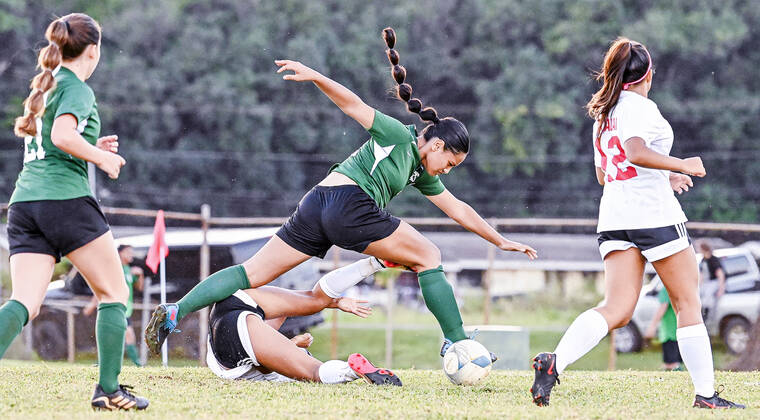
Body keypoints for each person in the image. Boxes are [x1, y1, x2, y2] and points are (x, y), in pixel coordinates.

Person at [145, 27, 537, 359]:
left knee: (251, 274)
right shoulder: (398, 136)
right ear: (435, 145)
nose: (447, 171)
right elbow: (354, 104)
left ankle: (176, 311)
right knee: (429, 256)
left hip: (316, 205)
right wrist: (315, 75)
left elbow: (459, 209)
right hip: (350, 205)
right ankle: (455, 341)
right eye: (450, 162)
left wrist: (499, 241)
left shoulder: (419, 172)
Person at [529, 37, 744, 409]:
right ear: (648, 74)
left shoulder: (603, 114)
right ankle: (707, 396)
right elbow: (635, 153)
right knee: (687, 303)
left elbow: (605, 173)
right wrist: (682, 164)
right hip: (653, 215)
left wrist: (665, 176)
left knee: (617, 308)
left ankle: (554, 364)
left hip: (614, 216)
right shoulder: (640, 107)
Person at [0, 14, 147, 410]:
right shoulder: (76, 88)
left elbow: (52, 143)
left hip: (25, 204)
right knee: (115, 293)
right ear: (93, 50)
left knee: (25, 303)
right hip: (64, 203)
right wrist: (100, 157)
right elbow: (62, 136)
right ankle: (110, 391)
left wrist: (91, 142)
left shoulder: (46, 87)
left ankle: (110, 388)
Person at [203, 259, 400, 386]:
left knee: (311, 303)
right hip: (229, 322)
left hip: (231, 329)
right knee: (311, 302)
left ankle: (374, 263)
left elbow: (265, 363)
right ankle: (372, 264)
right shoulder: (277, 355)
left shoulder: (278, 361)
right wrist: (294, 344)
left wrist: (294, 344)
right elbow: (265, 362)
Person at [84, 244, 145, 367]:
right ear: (120, 253)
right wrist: (92, 304)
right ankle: (137, 364)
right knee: (127, 335)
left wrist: (140, 276)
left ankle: (103, 362)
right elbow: (103, 287)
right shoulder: (115, 269)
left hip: (126, 309)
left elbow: (139, 288)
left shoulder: (129, 270)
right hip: (116, 306)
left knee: (119, 336)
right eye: (128, 252)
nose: (131, 254)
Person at [644, 286, 682, 371]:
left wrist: (652, 326)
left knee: (672, 364)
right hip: (676, 330)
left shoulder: (666, 288)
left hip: (670, 332)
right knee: (669, 362)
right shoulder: (676, 285)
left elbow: (663, 307)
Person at [697, 241, 726, 322]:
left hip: (713, 282)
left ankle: (706, 315)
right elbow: (701, 275)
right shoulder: (703, 260)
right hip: (706, 283)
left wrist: (721, 289)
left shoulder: (713, 259)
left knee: (708, 296)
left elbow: (720, 274)